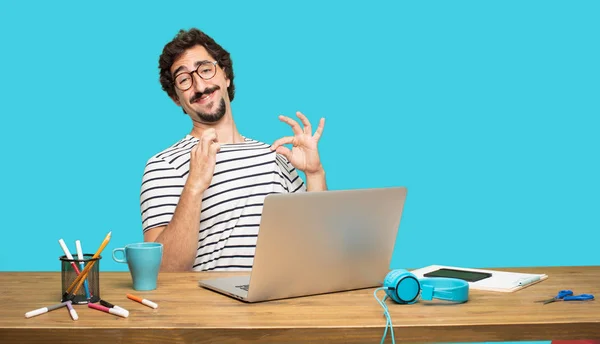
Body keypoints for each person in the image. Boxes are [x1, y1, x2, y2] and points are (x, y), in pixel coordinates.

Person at [140, 28, 328, 272]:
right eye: (184, 79)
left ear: (225, 76)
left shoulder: (274, 157)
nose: (199, 86)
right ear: (177, 99)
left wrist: (314, 174)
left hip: (277, 305)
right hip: (208, 308)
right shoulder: (163, 166)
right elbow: (162, 271)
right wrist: (194, 186)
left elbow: (318, 246)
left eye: (206, 69)